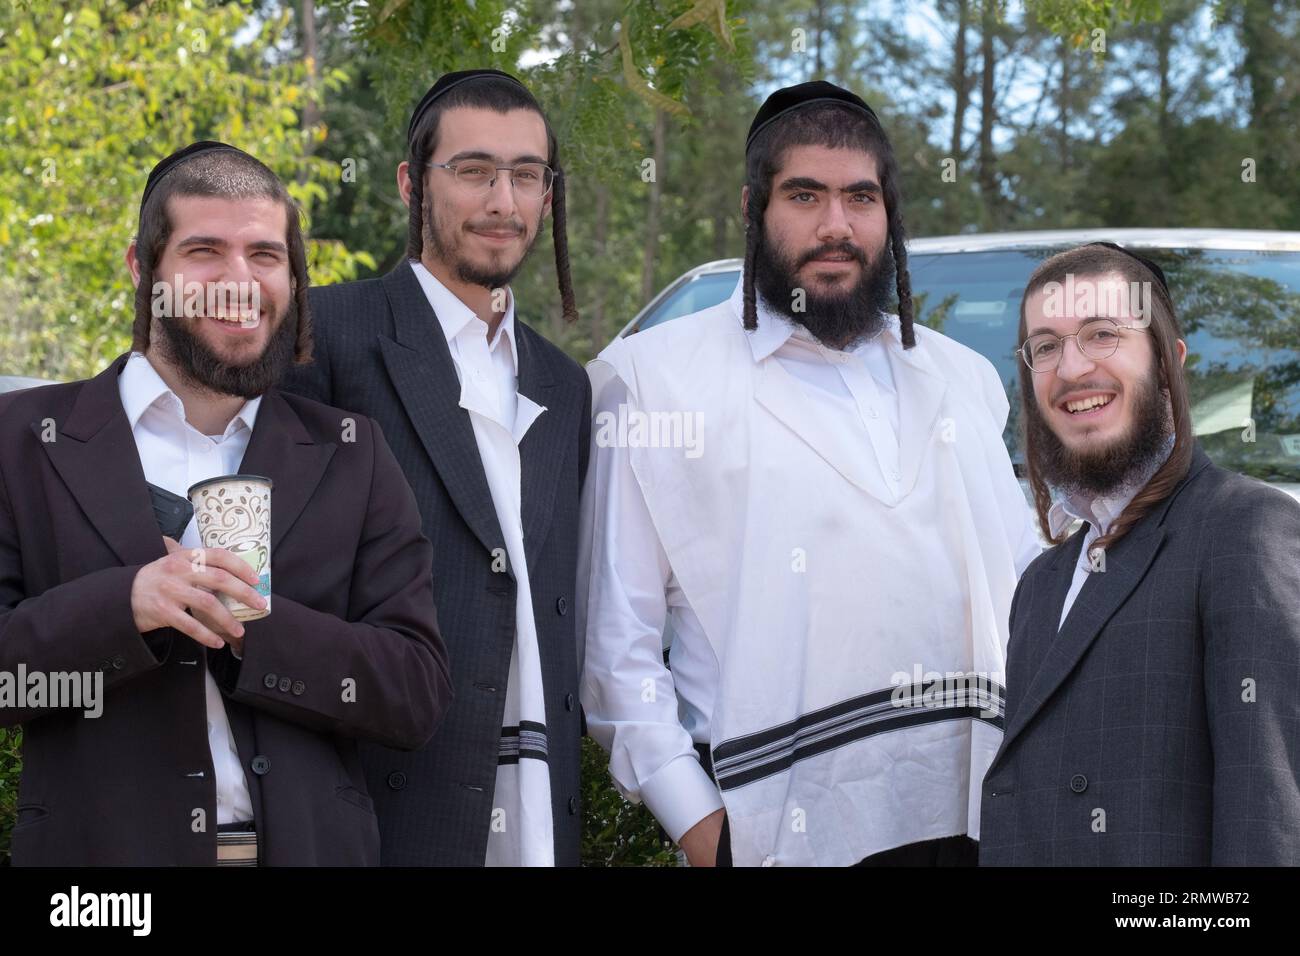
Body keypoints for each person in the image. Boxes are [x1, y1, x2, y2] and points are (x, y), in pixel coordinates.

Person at [578, 81, 1040, 867]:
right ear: (754, 207)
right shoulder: (652, 380)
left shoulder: (958, 376)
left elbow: (1028, 579)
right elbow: (615, 645)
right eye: (805, 195)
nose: (836, 226)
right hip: (776, 833)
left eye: (860, 197)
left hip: (980, 819)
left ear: (889, 213)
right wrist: (700, 828)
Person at [0, 141, 451, 866]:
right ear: (144, 271)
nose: (240, 281)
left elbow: (415, 694)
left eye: (266, 256)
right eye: (205, 250)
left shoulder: (351, 451)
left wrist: (252, 628)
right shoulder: (23, 440)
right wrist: (128, 605)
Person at [281, 70, 590, 866]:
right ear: (412, 184)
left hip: (534, 815)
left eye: (526, 176)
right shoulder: (326, 335)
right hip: (381, 806)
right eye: (474, 171)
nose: (503, 201)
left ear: (549, 196)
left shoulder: (565, 383)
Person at [980, 242, 1300, 865]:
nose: (1071, 369)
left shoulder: (1246, 532)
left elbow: (1271, 824)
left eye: (1102, 334)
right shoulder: (1041, 584)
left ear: (1168, 362)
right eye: (1045, 346)